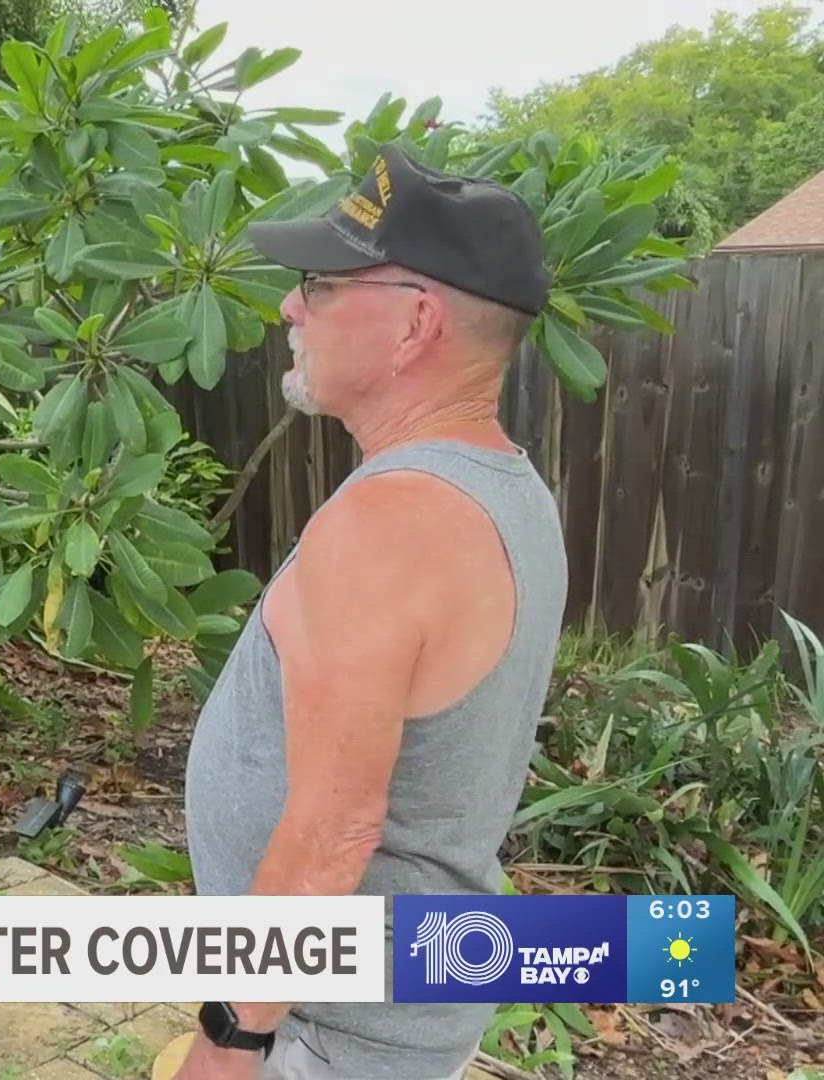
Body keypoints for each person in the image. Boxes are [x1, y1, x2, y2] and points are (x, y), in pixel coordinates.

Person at [174, 144, 568, 1080]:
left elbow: (334, 827)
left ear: (414, 323)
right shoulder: (504, 487)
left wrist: (232, 1036)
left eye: (320, 285)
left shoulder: (392, 521)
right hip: (397, 1005)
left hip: (330, 1036)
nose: (290, 306)